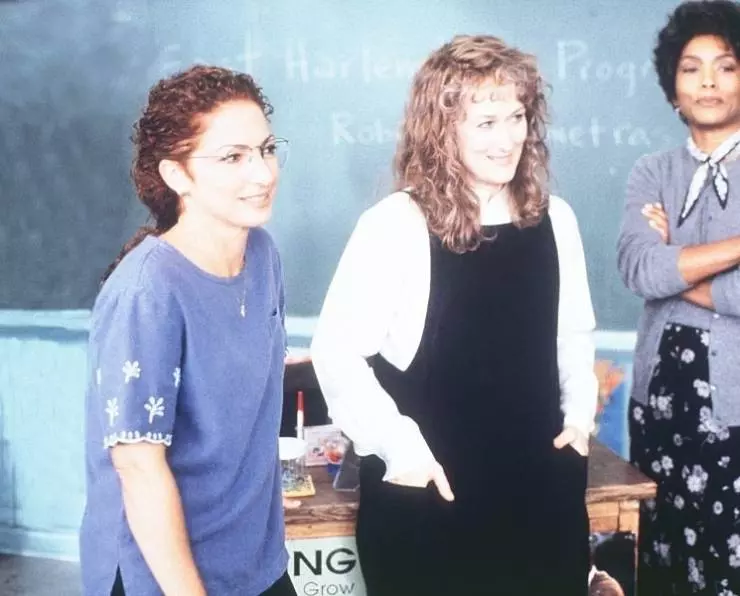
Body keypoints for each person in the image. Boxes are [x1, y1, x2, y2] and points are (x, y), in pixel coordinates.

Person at [311, 35, 598, 595]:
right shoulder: (394, 225)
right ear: (443, 130)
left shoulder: (556, 220)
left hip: (540, 502)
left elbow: (573, 337)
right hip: (430, 501)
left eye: (517, 117)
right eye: (486, 122)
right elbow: (337, 354)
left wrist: (578, 423)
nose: (507, 139)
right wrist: (402, 450)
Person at [79, 65, 297, 596]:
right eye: (233, 157)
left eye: (267, 150)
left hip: (253, 559)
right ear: (176, 175)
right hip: (165, 573)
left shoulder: (262, 254)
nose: (262, 173)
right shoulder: (147, 292)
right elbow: (139, 467)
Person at [617, 1, 740, 594]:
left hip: (734, 413)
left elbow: (662, 272)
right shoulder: (652, 171)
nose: (708, 82)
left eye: (726, 66)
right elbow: (639, 268)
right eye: (692, 69)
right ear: (673, 91)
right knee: (661, 566)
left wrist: (676, 264)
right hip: (659, 407)